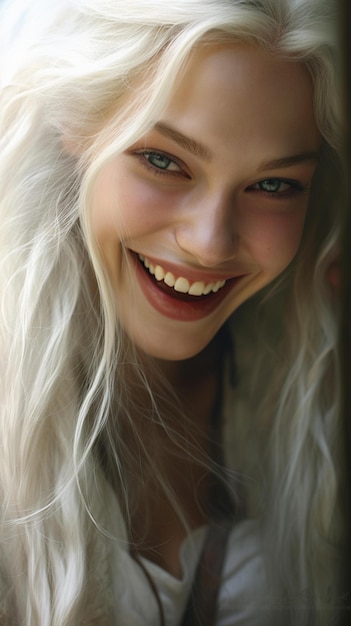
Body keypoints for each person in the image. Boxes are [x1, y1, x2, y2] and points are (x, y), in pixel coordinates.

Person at [0, 0, 346, 624]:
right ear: (77, 126)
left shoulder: (315, 376)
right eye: (164, 161)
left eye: (273, 185)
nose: (211, 242)